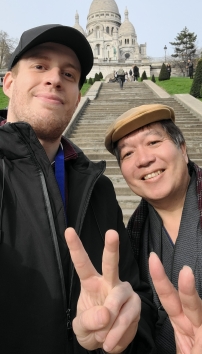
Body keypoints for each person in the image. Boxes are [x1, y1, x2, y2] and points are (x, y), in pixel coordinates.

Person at [0, 24, 157, 354]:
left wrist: (120, 329)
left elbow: (136, 297)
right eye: (40, 66)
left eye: (69, 74)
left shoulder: (98, 188)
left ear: (78, 96)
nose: (55, 78)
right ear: (8, 82)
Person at [105, 103, 202, 354]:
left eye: (153, 143)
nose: (144, 159)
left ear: (183, 149)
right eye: (127, 154)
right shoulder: (133, 236)